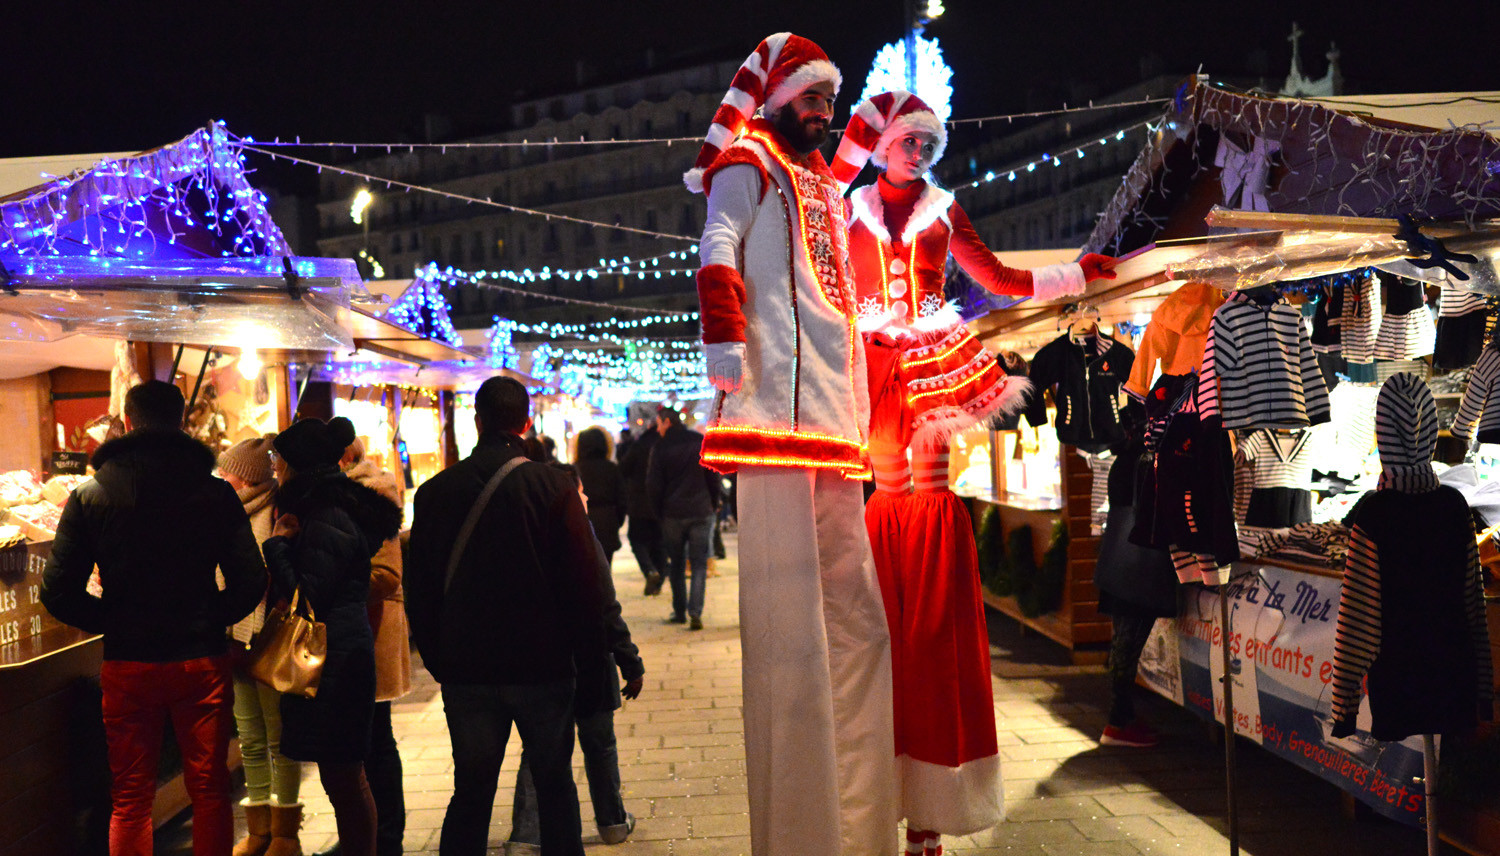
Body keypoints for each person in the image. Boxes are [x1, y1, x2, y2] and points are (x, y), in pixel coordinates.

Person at [828, 91, 1117, 853]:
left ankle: (926, 808)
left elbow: (992, 276)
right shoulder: (846, 205)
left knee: (923, 518)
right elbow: (817, 257)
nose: (917, 153)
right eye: (906, 140)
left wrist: (1073, 279)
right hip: (867, 369)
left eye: (928, 142)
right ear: (882, 142)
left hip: (926, 365)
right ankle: (882, 798)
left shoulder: (945, 210)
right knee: (880, 552)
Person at [684, 32, 898, 855]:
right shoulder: (747, 164)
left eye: (829, 101)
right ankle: (806, 830)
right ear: (777, 95)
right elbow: (716, 246)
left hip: (834, 430)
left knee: (854, 627)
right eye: (812, 97)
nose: (824, 112)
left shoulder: (821, 183)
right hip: (775, 422)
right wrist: (725, 342)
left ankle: (855, 818)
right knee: (792, 639)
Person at [42, 380, 268, 856]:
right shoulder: (215, 494)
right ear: (181, 423)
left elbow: (57, 590)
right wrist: (209, 617)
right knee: (208, 787)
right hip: (200, 658)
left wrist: (113, 619)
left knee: (130, 796)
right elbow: (250, 580)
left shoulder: (90, 495)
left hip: (129, 662)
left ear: (127, 423)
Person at [405, 376, 614, 856]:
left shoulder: (435, 492)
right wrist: (590, 666)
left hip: (469, 670)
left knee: (472, 791)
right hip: (542, 666)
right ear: (525, 423)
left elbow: (421, 590)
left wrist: (441, 660)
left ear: (477, 421)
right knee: (554, 784)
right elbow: (584, 586)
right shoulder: (552, 487)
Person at [264, 417, 403, 856]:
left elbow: (309, 593)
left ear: (298, 465)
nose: (276, 471)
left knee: (346, 775)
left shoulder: (327, 513)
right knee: (343, 773)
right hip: (340, 652)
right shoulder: (328, 507)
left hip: (337, 659)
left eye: (280, 462)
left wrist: (278, 545)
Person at [507, 465, 645, 853]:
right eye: (581, 492)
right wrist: (630, 662)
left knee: (538, 752)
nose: (585, 499)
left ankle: (525, 835)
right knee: (599, 745)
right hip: (588, 662)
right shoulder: (583, 537)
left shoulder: (525, 537)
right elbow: (605, 605)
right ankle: (613, 821)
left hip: (543, 663)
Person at [218, 435, 307, 856]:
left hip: (269, 636)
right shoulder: (222, 514)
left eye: (227, 470)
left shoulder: (277, 510)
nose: (221, 476)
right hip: (233, 635)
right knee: (250, 737)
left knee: (279, 737)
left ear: (245, 477)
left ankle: (285, 830)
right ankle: (259, 830)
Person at [330, 438, 413, 856]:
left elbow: (386, 575)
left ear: (343, 458)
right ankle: (366, 837)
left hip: (374, 629)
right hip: (357, 632)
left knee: (377, 738)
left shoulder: (372, 495)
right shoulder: (343, 495)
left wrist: (335, 584)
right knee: (361, 741)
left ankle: (387, 838)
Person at [645, 406, 719, 630]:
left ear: (667, 422)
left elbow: (653, 485)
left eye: (658, 424)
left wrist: (658, 512)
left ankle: (679, 612)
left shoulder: (660, 447)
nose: (657, 429)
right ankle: (695, 611)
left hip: (672, 514)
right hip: (700, 510)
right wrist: (713, 503)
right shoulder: (698, 441)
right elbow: (712, 474)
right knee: (698, 564)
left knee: (676, 564)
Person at [618, 418, 668, 595]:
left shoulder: (638, 446)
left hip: (639, 502)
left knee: (637, 539)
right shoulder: (664, 445)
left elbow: (623, 469)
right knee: (659, 543)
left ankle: (649, 571)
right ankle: (658, 579)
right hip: (661, 503)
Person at [572, 427, 627, 568]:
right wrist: (616, 520)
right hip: (607, 521)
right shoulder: (612, 468)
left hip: (582, 522)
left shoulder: (575, 469)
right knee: (606, 568)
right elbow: (622, 500)